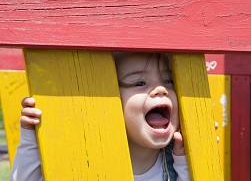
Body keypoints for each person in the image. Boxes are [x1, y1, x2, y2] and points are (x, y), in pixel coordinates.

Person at [10, 52, 217, 181]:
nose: (160, 89)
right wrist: (32, 141)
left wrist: (191, 157)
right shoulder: (83, 155)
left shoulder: (176, 161)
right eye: (139, 83)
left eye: (169, 80)